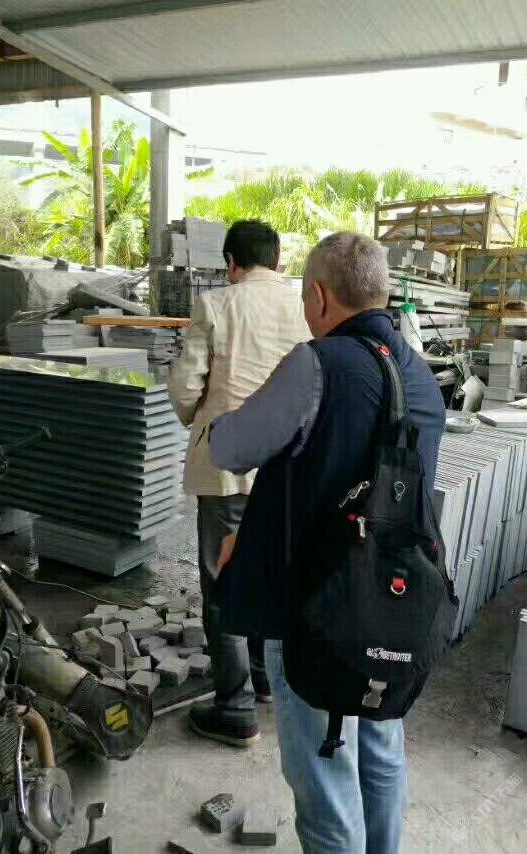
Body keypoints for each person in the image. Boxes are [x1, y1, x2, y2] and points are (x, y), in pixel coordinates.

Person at [208, 232, 446, 853]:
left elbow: (231, 448)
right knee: (381, 749)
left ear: (317, 296)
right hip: (393, 606)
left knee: (324, 778)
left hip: (314, 609)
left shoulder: (317, 364)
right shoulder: (420, 377)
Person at [168, 219, 310, 748]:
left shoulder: (216, 305)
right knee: (271, 572)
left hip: (227, 466)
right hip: (284, 468)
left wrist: (194, 417)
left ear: (231, 262)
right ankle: (265, 677)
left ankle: (235, 707)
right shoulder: (304, 307)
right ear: (276, 259)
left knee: (223, 582)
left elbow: (186, 386)